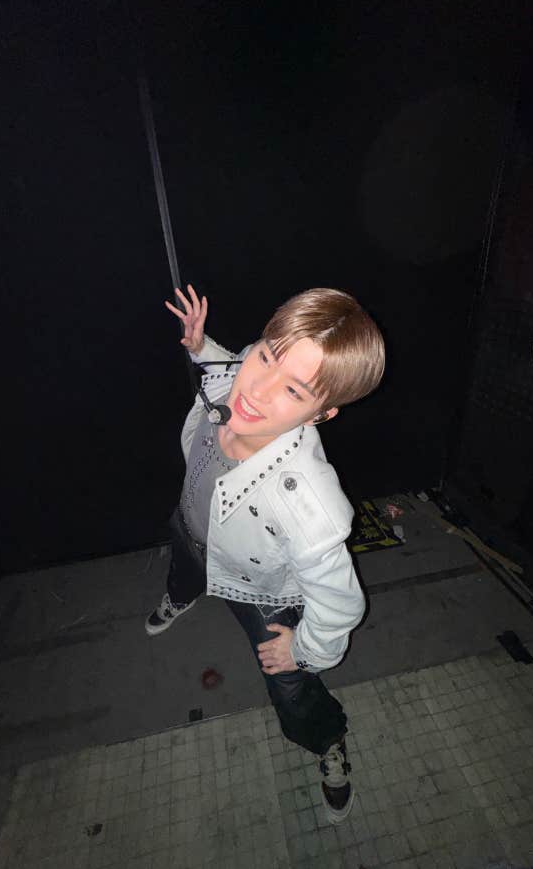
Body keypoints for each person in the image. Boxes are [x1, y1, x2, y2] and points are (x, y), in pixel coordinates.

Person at [145, 283, 385, 824]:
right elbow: (228, 368)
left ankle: (327, 740)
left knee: (290, 685)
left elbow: (342, 604)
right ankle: (180, 595)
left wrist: (305, 649)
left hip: (260, 591)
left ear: (321, 415)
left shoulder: (309, 504)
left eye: (295, 391)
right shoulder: (237, 378)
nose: (255, 391)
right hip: (194, 526)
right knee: (184, 566)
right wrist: (201, 346)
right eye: (267, 357)